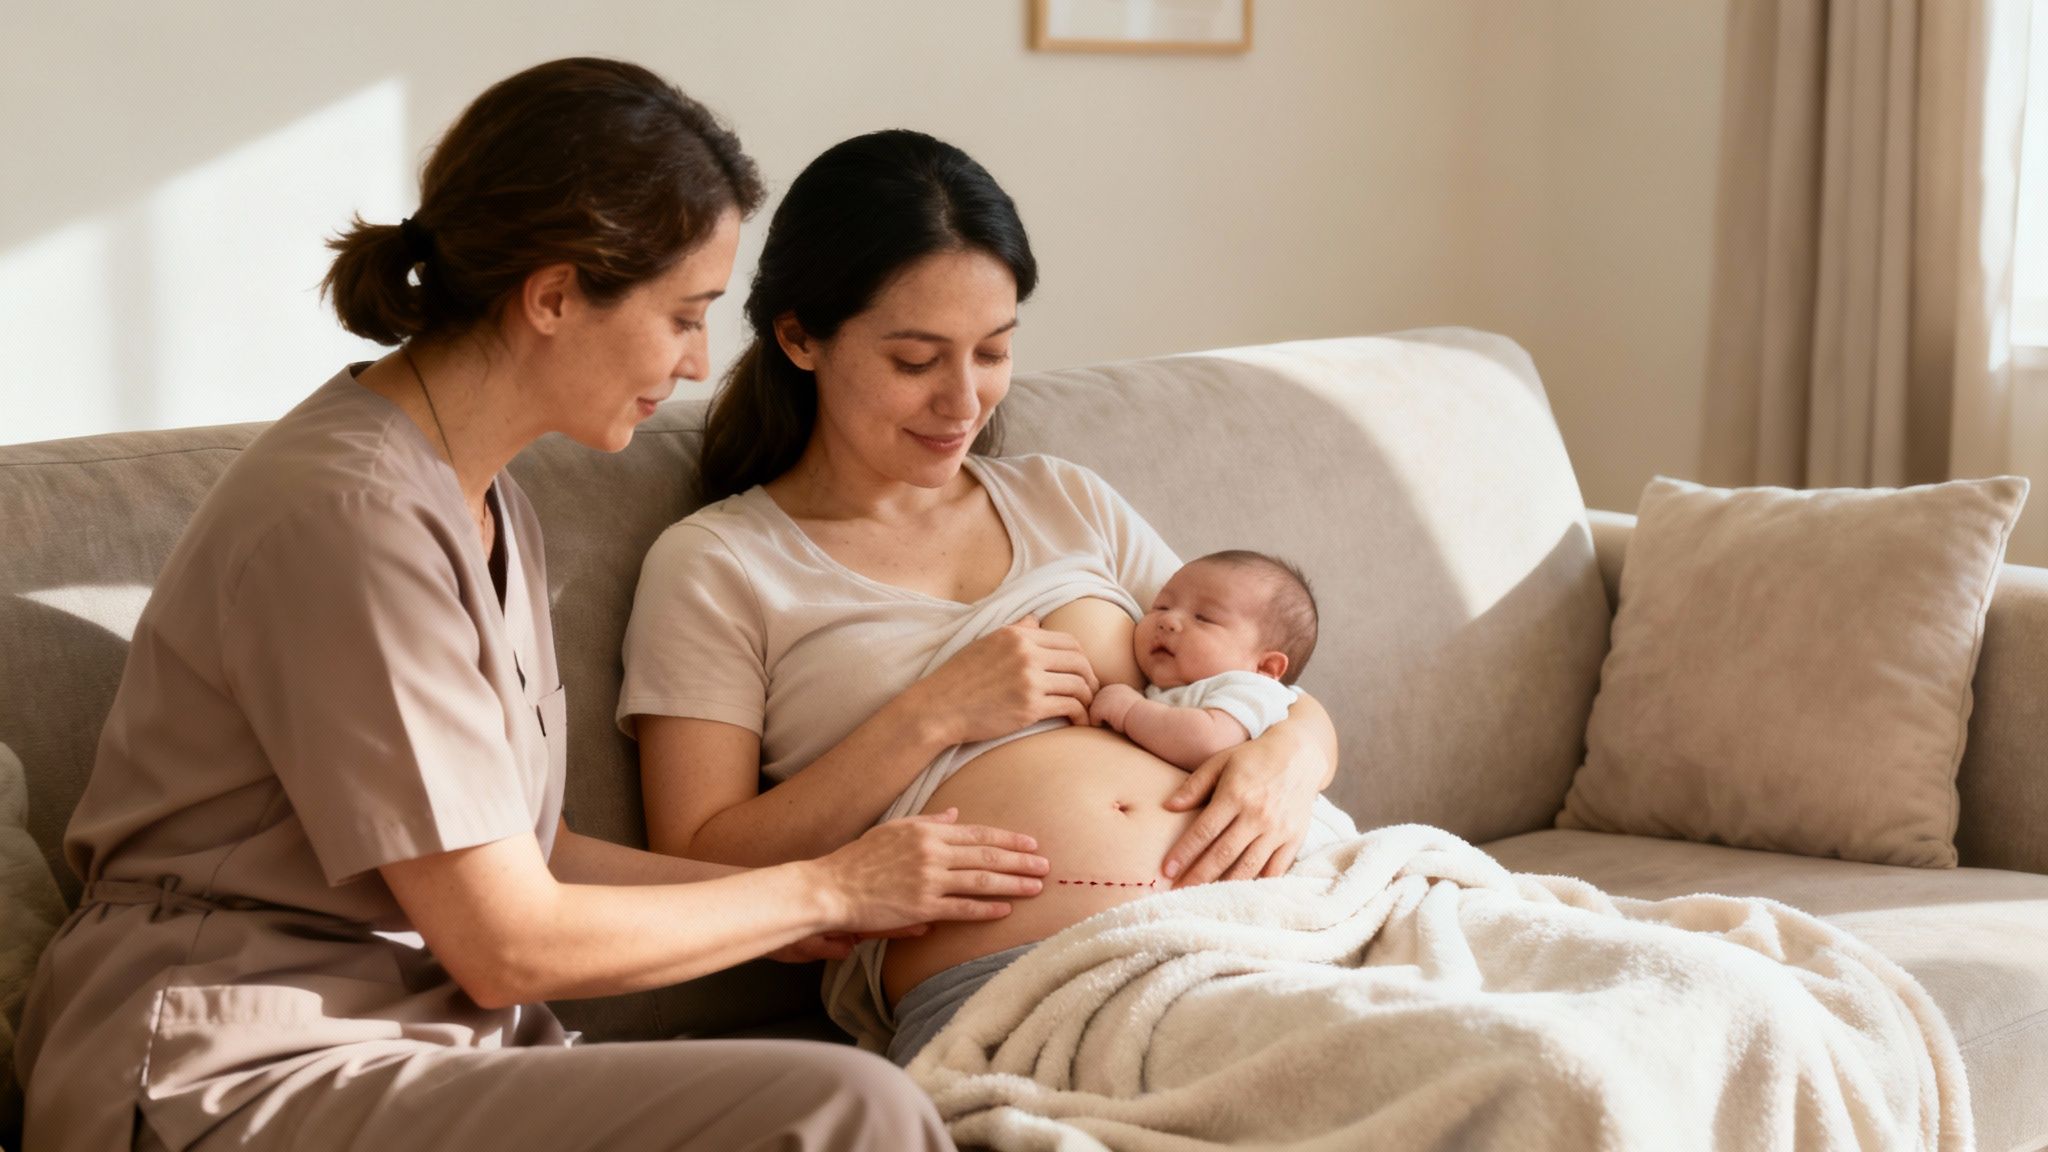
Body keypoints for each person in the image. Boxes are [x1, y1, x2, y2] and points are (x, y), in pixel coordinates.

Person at [15, 60, 1050, 1152]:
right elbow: (507, 942)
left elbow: (532, 854)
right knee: (853, 1106)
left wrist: (766, 916)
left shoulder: (489, 495)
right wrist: (821, 891)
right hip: (225, 1070)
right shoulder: (350, 517)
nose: (699, 365)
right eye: (684, 315)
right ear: (554, 295)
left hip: (419, 1046)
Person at [619, 129, 1342, 1060]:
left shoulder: (1064, 496)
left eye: (993, 352)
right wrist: (929, 716)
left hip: (1284, 909)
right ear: (800, 336)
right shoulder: (719, 562)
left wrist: (1292, 760)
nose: (965, 403)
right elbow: (698, 864)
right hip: (1035, 989)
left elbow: (1270, 679)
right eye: (917, 362)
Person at [1088, 550, 1324, 769]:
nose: (1168, 620)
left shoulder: (1253, 690)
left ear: (1265, 667)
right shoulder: (1165, 691)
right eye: (1161, 606)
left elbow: (1208, 742)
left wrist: (1130, 711)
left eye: (1204, 618)